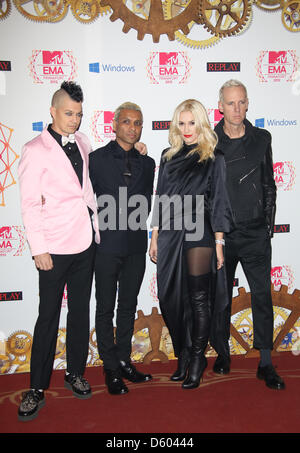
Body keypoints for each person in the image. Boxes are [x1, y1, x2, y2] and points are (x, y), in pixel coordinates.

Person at [17, 81, 100, 421]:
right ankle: (36, 388)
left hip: (84, 243)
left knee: (80, 312)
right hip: (52, 247)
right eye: (68, 114)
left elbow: (88, 192)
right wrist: (39, 248)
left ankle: (75, 372)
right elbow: (28, 205)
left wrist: (96, 230)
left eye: (79, 115)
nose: (74, 121)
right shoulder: (34, 149)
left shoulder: (83, 142)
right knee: (48, 316)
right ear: (52, 111)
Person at [149, 99, 233, 389]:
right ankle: (183, 354)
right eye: (181, 123)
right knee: (170, 298)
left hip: (200, 233)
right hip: (171, 233)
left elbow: (220, 201)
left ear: (202, 124)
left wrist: (219, 243)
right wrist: (155, 235)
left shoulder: (214, 157)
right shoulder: (167, 156)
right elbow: (160, 197)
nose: (186, 129)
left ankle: (197, 358)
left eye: (192, 123)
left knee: (198, 299)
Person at [212, 79, 285, 390]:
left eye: (241, 102)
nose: (237, 108)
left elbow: (269, 184)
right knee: (220, 297)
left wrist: (267, 226)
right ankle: (223, 352)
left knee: (262, 296)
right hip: (223, 234)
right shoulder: (209, 141)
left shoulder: (261, 138)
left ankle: (265, 362)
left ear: (247, 103)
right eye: (231, 103)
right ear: (221, 107)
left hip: (255, 232)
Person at [89, 102, 155, 395]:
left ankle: (125, 360)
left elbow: (148, 203)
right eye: (126, 121)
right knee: (104, 309)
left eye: (137, 123)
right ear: (114, 124)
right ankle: (110, 368)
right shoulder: (95, 160)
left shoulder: (149, 163)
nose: (132, 127)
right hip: (105, 247)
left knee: (127, 306)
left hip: (136, 246)